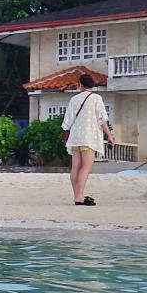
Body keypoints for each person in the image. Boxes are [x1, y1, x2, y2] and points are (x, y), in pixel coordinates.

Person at [62, 75, 115, 206]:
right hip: (88, 136)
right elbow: (101, 120)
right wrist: (109, 135)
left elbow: (67, 121)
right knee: (86, 167)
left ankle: (77, 195)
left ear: (80, 84)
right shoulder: (96, 98)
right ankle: (79, 197)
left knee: (75, 167)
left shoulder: (74, 99)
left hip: (75, 137)